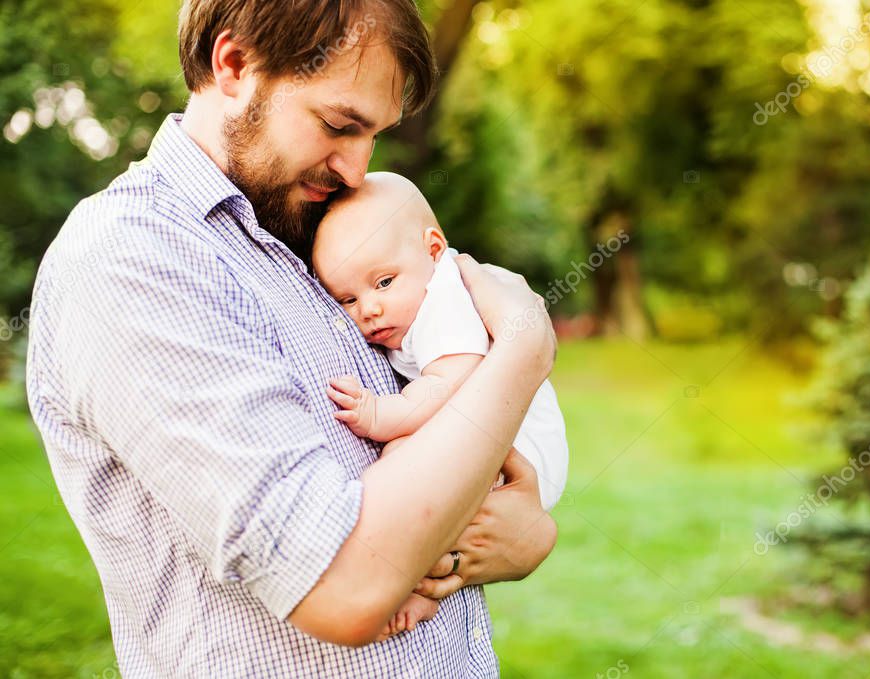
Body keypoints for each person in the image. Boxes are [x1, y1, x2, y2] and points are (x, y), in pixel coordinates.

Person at [25, 1, 558, 676]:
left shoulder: (322, 241)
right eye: (339, 124)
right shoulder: (131, 255)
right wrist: (524, 346)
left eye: (374, 136)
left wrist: (526, 534)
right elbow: (343, 582)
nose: (357, 170)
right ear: (235, 65)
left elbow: (454, 474)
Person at [312, 171, 570, 638]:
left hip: (524, 453)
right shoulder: (410, 302)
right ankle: (420, 585)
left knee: (401, 458)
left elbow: (452, 378)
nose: (368, 308)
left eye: (384, 281)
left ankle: (411, 586)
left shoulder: (445, 297)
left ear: (434, 250)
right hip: (505, 440)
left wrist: (380, 414)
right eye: (347, 298)